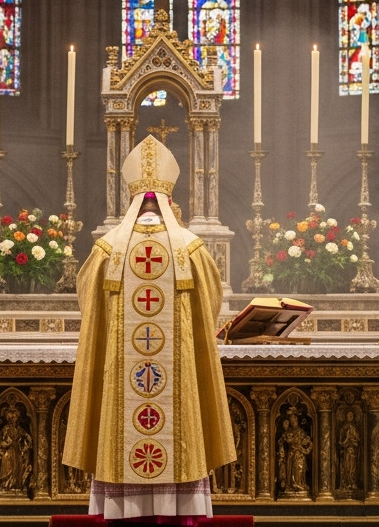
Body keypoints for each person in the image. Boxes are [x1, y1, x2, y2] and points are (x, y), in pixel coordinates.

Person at [63, 134, 235, 524]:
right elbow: (211, 307)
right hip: (175, 377)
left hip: (124, 375)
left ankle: (124, 513)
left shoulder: (108, 249)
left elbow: (88, 305)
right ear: (170, 202)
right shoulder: (191, 248)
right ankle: (180, 512)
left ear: (132, 201)